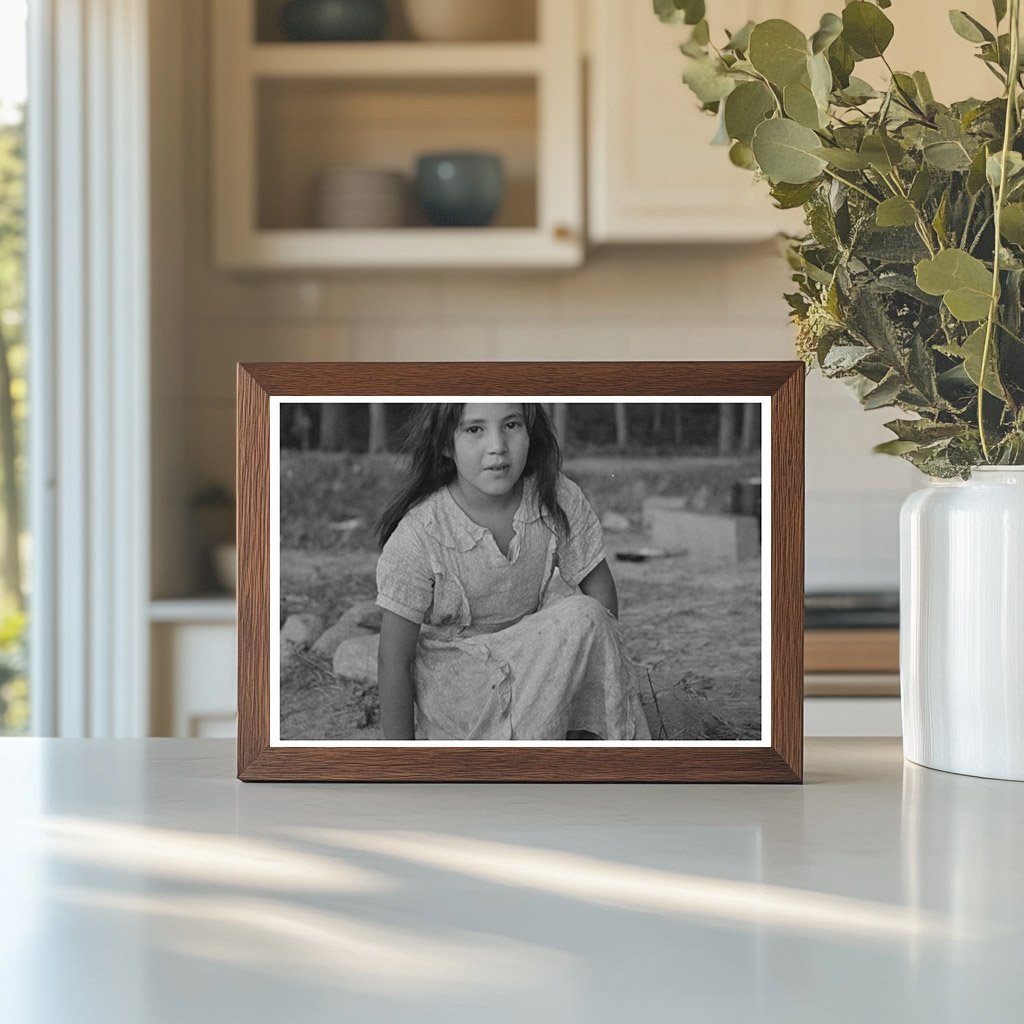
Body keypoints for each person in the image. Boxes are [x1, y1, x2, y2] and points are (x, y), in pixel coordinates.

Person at [374, 402, 651, 741]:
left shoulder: (555, 497)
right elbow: (393, 661)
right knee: (580, 614)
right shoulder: (422, 532)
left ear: (530, 432)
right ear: (447, 444)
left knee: (586, 615)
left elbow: (600, 598)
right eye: (475, 429)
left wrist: (602, 675)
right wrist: (401, 762)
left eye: (512, 425)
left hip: (531, 666)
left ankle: (583, 747)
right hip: (462, 692)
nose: (497, 447)